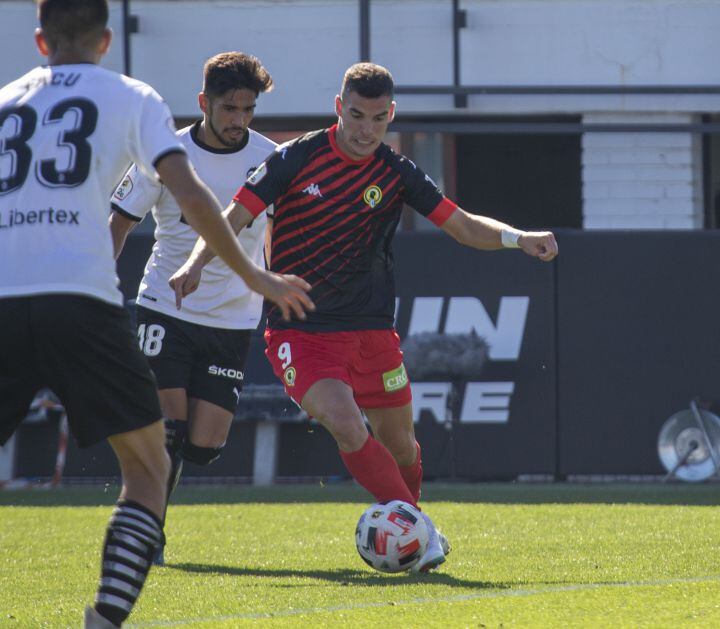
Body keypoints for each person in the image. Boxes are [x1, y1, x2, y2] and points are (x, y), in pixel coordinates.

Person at [169, 62, 559, 573]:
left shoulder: (395, 172)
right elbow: (233, 217)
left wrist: (517, 238)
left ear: (390, 115)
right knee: (347, 424)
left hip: (372, 331)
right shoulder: (294, 158)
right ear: (339, 108)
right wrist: (194, 264)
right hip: (301, 329)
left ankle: (414, 531)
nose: (365, 129)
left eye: (377, 119)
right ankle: (420, 531)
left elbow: (461, 226)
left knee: (401, 444)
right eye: (356, 115)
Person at [0, 2, 312, 627]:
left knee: (198, 444)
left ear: (39, 39)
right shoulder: (134, 98)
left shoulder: (7, 100)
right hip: (98, 299)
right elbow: (187, 195)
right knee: (149, 464)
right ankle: (108, 616)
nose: (239, 118)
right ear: (107, 39)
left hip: (12, 294)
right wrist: (257, 274)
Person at [109, 51, 278, 566]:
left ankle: (147, 501)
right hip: (166, 305)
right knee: (167, 427)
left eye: (248, 109)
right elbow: (119, 224)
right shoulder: (165, 155)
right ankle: (145, 529)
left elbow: (286, 229)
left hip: (233, 316)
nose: (239, 120)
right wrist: (94, 288)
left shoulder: (272, 159)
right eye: (229, 108)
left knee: (204, 444)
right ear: (204, 102)